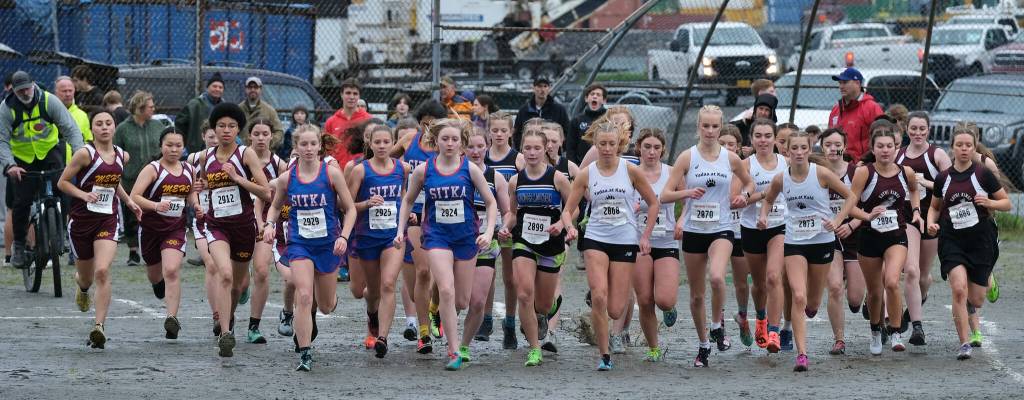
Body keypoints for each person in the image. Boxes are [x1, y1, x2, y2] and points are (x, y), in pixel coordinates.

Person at [395, 118, 498, 370]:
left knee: (462, 300)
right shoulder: (424, 170)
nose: (450, 144)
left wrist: (489, 231)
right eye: (445, 139)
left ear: (461, 143)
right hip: (436, 236)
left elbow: (491, 202)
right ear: (436, 141)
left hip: (465, 237)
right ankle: (453, 352)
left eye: (454, 139)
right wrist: (400, 230)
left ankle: (438, 310)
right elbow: (407, 201)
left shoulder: (470, 169)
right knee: (447, 291)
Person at [560, 120, 659, 371]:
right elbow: (568, 209)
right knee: (600, 297)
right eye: (602, 143)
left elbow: (653, 202)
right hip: (595, 238)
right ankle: (604, 355)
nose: (606, 148)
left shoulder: (630, 170)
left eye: (611, 144)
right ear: (595, 144)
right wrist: (570, 227)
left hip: (625, 239)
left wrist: (645, 235)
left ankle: (604, 312)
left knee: (615, 309)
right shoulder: (587, 173)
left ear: (620, 145)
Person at [758, 130, 860, 371]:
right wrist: (763, 216)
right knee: (799, 296)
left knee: (812, 302)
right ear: (787, 151)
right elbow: (769, 199)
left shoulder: (822, 173)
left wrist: (838, 221)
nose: (800, 153)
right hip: (794, 242)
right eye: (795, 148)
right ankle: (802, 354)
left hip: (822, 241)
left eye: (804, 148)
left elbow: (851, 197)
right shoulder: (781, 179)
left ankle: (811, 308)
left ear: (810, 148)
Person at [662, 105, 754, 367]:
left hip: (721, 227)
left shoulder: (730, 158)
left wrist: (743, 196)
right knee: (696, 295)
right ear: (698, 127)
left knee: (716, 275)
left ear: (720, 125)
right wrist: (686, 194)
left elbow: (749, 183)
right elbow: (665, 194)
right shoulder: (687, 158)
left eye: (715, 126)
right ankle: (703, 345)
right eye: (706, 126)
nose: (711, 131)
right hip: (693, 230)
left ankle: (716, 325)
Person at [261, 124, 357, 371]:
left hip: (328, 245)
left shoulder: (331, 174)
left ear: (320, 146)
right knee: (304, 296)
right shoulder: (287, 178)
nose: (308, 149)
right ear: (296, 147)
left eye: (313, 144)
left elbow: (351, 209)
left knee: (324, 305)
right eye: (303, 144)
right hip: (300, 244)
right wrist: (270, 224)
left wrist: (344, 237)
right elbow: (274, 205)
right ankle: (305, 352)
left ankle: (330, 299)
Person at [926, 125, 1010, 360]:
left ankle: (988, 280)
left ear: (974, 148)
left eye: (968, 145)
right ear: (952, 147)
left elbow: (1006, 203)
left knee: (976, 299)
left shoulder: (982, 174)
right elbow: (934, 207)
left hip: (979, 240)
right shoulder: (943, 177)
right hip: (952, 240)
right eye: (959, 145)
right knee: (959, 289)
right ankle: (964, 342)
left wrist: (989, 203)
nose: (964, 149)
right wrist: (930, 223)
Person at [57, 110, 140, 348]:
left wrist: (129, 201)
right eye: (99, 124)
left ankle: (99, 327)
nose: (104, 127)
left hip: (108, 219)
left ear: (114, 128)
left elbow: (114, 183)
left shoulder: (122, 156)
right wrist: (84, 194)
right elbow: (62, 182)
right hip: (82, 222)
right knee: (86, 276)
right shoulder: (85, 154)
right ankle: (82, 288)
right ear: (92, 129)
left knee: (102, 271)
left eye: (108, 123)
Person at [195, 102, 272, 357]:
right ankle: (225, 334)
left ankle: (229, 316)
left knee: (238, 285)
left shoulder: (245, 154)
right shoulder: (207, 157)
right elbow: (206, 186)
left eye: (231, 126)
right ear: (213, 129)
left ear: (238, 129)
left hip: (243, 228)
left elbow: (266, 191)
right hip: (217, 227)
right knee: (224, 274)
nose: (225, 130)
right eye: (221, 126)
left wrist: (238, 178)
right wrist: (199, 191)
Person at [849, 119, 922, 355]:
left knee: (891, 281)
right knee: (874, 291)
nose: (885, 150)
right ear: (873, 148)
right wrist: (867, 216)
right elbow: (850, 206)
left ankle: (896, 331)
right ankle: (875, 330)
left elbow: (913, 191)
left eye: (889, 146)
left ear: (896, 148)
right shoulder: (863, 173)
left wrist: (917, 211)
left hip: (896, 236)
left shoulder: (906, 172)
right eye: (880, 146)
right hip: (869, 238)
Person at [0, 70, 85, 269]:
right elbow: (1, 141)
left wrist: (80, 153)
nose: (25, 93)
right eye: (20, 91)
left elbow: (70, 128)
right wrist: (10, 164)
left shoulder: (49, 101)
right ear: (13, 91)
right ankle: (19, 245)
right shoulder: (6, 109)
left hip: (49, 152)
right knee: (21, 201)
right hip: (22, 159)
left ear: (33, 84)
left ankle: (64, 233)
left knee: (63, 187)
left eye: (27, 88)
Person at [504, 125, 572, 367]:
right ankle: (534, 348)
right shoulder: (515, 181)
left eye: (537, 148)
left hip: (550, 243)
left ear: (546, 149)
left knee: (542, 305)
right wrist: (504, 226)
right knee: (523, 293)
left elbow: (570, 206)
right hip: (524, 240)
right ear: (521, 150)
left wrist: (562, 225)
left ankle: (550, 307)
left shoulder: (557, 177)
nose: (532, 152)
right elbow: (513, 213)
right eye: (527, 148)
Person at [348, 124, 411, 357]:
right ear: (370, 144)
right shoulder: (360, 171)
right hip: (366, 237)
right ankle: (372, 315)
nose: (383, 146)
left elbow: (404, 197)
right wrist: (366, 204)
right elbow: (346, 205)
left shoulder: (402, 169)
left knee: (388, 284)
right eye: (378, 142)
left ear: (392, 143)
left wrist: (408, 214)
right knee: (371, 291)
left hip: (393, 237)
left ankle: (382, 337)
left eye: (387, 142)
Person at [129, 127, 195, 340]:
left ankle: (172, 319)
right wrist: (156, 206)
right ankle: (158, 285)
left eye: (178, 145)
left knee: (172, 270)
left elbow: (192, 192)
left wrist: (197, 204)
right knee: (156, 275)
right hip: (150, 229)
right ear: (161, 146)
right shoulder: (152, 169)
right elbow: (135, 196)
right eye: (169, 145)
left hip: (175, 228)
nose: (174, 150)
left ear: (184, 147)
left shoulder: (189, 170)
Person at [390, 99, 445, 353]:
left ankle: (434, 308)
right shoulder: (409, 140)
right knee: (422, 273)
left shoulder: (447, 143)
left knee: (437, 276)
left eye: (434, 124)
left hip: (439, 213)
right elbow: (385, 162)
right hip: (413, 212)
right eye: (426, 123)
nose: (429, 128)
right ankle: (424, 333)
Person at [896, 111, 950, 347]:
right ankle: (915, 325)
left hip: (931, 219)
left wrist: (922, 182)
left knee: (924, 277)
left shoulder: (936, 154)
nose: (917, 133)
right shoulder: (898, 155)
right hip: (906, 218)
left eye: (922, 129)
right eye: (913, 129)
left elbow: (950, 183)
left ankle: (917, 303)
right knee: (911, 270)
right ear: (907, 129)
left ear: (928, 130)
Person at [737, 119, 787, 352]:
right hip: (752, 228)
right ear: (752, 139)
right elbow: (736, 201)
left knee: (773, 277)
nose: (763, 140)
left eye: (768, 135)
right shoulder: (745, 165)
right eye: (758, 135)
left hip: (779, 227)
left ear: (775, 139)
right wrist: (766, 193)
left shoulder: (786, 163)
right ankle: (760, 319)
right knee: (758, 284)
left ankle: (775, 331)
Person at [461, 126, 513, 350]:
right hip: (456, 241)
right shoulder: (454, 173)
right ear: (463, 148)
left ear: (487, 147)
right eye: (470, 146)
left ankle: (462, 346)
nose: (475, 151)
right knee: (456, 299)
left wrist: (504, 226)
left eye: (480, 146)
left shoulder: (496, 177)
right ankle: (438, 315)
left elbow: (507, 210)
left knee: (478, 301)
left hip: (486, 241)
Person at [631, 128, 679, 362]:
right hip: (638, 240)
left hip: (666, 238)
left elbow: (692, 198)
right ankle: (653, 348)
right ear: (638, 147)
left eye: (656, 148)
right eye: (647, 147)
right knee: (645, 299)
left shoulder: (671, 173)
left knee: (664, 299)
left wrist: (682, 220)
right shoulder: (629, 173)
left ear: (663, 150)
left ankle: (670, 309)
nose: (651, 152)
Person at [821, 128, 866, 355]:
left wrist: (851, 224)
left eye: (837, 144)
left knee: (856, 300)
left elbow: (866, 204)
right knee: (835, 287)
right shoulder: (816, 173)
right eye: (828, 144)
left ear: (844, 147)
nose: (833, 148)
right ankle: (839, 339)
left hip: (853, 234)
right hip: (828, 236)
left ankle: (863, 295)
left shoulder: (855, 172)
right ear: (822, 147)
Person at [484, 111, 526, 349]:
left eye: (503, 130)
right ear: (489, 131)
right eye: (495, 130)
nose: (499, 134)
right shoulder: (483, 157)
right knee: (487, 272)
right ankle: (486, 319)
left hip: (510, 223)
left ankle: (509, 323)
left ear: (511, 132)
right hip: (486, 223)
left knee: (510, 277)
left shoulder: (518, 159)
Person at [244, 119, 287, 344]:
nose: (261, 138)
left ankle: (254, 326)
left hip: (264, 221)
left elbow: (280, 196)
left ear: (272, 136)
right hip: (239, 220)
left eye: (265, 134)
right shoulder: (240, 159)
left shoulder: (279, 164)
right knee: (238, 279)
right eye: (256, 133)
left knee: (261, 271)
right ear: (249, 136)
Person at [114, 91, 164, 266]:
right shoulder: (123, 129)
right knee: (131, 216)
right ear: (140, 108)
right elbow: (117, 154)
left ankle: (157, 248)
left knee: (155, 214)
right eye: (150, 107)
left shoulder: (157, 126)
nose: (153, 109)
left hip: (155, 180)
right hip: (130, 180)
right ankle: (133, 251)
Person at [719, 125, 755, 348]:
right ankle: (718, 323)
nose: (725, 148)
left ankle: (742, 316)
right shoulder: (709, 168)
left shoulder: (746, 169)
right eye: (721, 143)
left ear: (739, 147)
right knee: (718, 278)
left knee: (742, 283)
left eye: (730, 144)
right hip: (718, 230)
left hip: (741, 230)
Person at [186, 122, 222, 330]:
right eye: (211, 137)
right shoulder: (192, 160)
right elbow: (186, 186)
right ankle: (217, 315)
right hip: (202, 219)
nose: (215, 141)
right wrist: (196, 200)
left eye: (217, 137)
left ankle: (238, 290)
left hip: (227, 219)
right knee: (210, 264)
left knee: (231, 271)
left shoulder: (232, 159)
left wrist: (213, 183)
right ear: (203, 137)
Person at [828, 68, 883, 162]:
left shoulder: (872, 108)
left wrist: (865, 162)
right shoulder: (836, 109)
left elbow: (881, 138)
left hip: (863, 166)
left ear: (857, 83)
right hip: (838, 165)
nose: (841, 86)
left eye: (845, 82)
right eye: (840, 83)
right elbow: (829, 139)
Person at [324, 78, 372, 168]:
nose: (351, 97)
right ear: (341, 94)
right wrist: (331, 164)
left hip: (362, 171)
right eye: (348, 93)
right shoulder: (331, 121)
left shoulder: (368, 120)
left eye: (355, 93)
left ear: (359, 96)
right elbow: (326, 151)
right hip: (338, 171)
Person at [513, 77, 569, 148]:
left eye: (545, 86)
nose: (542, 89)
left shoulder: (559, 110)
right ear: (533, 88)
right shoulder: (524, 110)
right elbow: (517, 133)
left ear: (549, 88)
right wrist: (523, 149)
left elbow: (567, 133)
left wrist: (558, 148)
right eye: (539, 86)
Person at [176, 72, 225, 153]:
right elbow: (179, 123)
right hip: (196, 149)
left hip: (218, 149)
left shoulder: (225, 107)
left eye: (220, 87)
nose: (217, 89)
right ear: (207, 88)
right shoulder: (195, 104)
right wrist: (187, 142)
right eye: (214, 86)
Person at [239, 77, 285, 149]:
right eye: (250, 87)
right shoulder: (238, 109)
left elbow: (279, 131)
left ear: (260, 90)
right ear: (246, 89)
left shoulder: (269, 110)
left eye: (256, 87)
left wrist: (268, 143)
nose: (253, 90)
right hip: (243, 152)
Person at [566, 83, 607, 164]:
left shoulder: (609, 119)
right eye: (592, 94)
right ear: (586, 98)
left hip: (604, 164)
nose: (595, 96)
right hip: (581, 165)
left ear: (604, 100)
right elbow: (570, 148)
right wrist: (573, 167)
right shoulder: (576, 120)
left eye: (598, 95)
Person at [55, 76, 92, 143]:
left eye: (70, 90)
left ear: (74, 91)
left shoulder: (82, 115)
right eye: (64, 91)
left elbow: (88, 140)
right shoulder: (49, 113)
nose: (68, 94)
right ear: (56, 92)